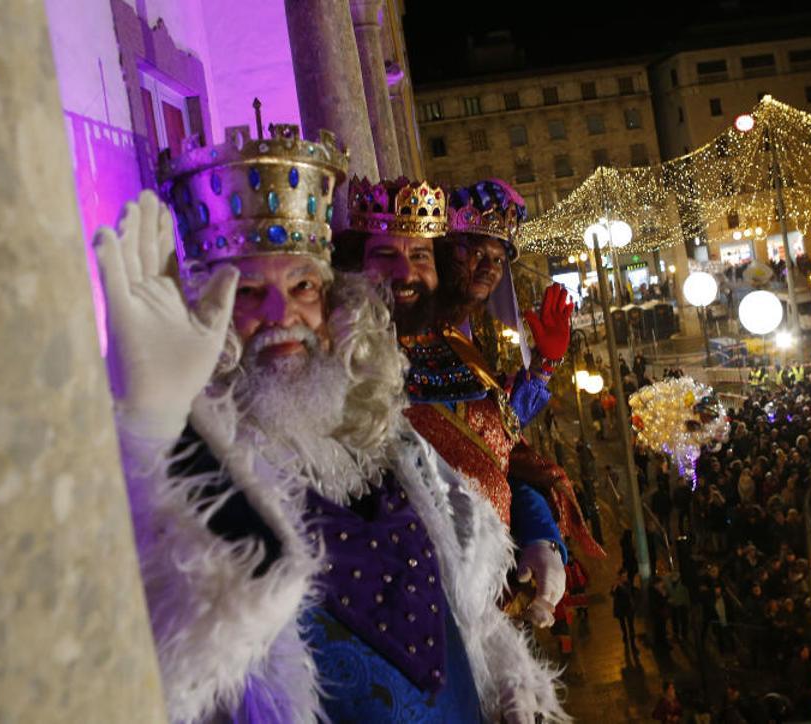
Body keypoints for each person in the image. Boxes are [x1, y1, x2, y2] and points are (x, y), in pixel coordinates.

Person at [97, 127, 564, 723]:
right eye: (246, 292)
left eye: (302, 286)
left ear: (334, 302)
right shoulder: (186, 475)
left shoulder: (386, 432)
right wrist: (157, 431)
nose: (281, 314)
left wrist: (507, 665)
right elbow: (177, 658)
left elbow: (486, 508)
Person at [343, 176, 572, 627]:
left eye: (419, 255)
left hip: (489, 605)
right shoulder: (344, 370)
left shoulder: (456, 346)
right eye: (384, 255)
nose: (405, 273)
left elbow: (497, 452)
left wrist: (541, 539)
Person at [611, 570, 640, 656]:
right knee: (622, 623)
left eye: (626, 576)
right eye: (623, 576)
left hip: (628, 607)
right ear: (620, 576)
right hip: (620, 608)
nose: (625, 577)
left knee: (631, 625)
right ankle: (625, 635)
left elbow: (629, 593)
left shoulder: (627, 583)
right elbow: (612, 594)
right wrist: (615, 587)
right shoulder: (616, 584)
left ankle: (632, 640)